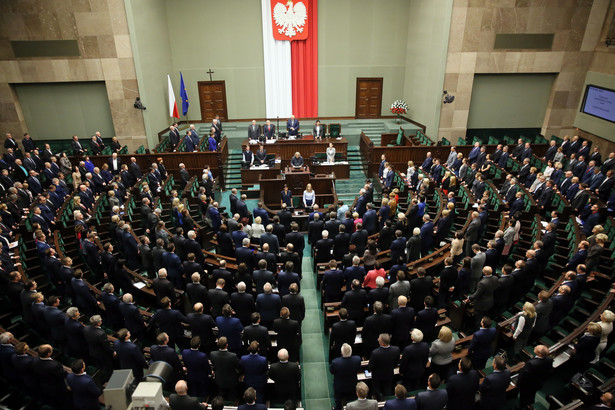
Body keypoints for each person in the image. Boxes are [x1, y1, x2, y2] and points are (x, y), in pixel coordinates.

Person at [330, 343, 362, 410]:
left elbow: (332, 371)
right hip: (352, 384)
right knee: (352, 399)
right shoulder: (357, 359)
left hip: (340, 386)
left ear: (341, 353)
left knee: (338, 399)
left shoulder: (336, 362)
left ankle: (338, 408)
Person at [369, 333, 400, 401]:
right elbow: (396, 363)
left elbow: (371, 366)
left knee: (377, 390)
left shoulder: (375, 353)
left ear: (382, 343)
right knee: (388, 390)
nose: (378, 340)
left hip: (377, 376)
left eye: (379, 340)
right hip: (389, 374)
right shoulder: (396, 350)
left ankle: (380, 402)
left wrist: (370, 370)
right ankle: (388, 401)